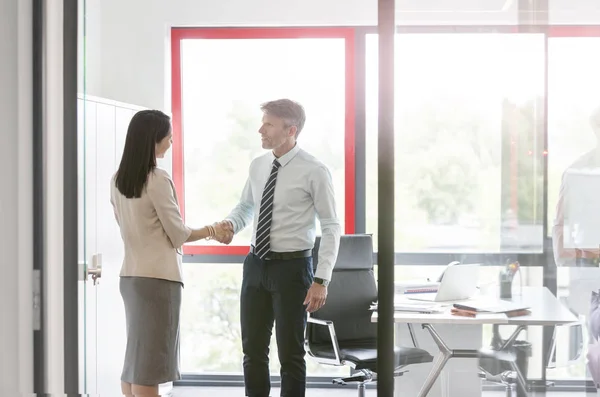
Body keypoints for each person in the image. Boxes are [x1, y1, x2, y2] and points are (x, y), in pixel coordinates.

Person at [215, 99, 341, 397]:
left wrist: (322, 279)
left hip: (293, 269)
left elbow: (332, 226)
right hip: (256, 265)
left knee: (291, 356)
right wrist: (232, 224)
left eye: (268, 124)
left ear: (291, 130)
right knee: (253, 352)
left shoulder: (315, 170)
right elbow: (247, 206)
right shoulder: (258, 166)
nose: (261, 130)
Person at [110, 109, 231, 397]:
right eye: (169, 136)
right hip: (158, 280)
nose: (171, 141)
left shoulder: (118, 179)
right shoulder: (157, 179)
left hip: (131, 277)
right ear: (155, 139)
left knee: (135, 362)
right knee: (149, 366)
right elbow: (178, 234)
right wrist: (213, 229)